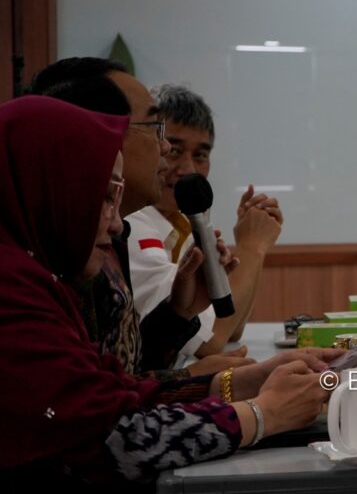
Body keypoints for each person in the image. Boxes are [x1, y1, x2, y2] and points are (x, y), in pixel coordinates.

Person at [0, 96, 338, 487]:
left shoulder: (39, 275)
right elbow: (111, 438)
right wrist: (263, 414)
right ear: (50, 185)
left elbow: (113, 389)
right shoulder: (12, 290)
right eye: (105, 196)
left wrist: (235, 384)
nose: (115, 225)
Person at [30, 58, 245, 377]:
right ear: (98, 135)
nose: (164, 147)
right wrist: (250, 410)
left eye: (200, 154)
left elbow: (122, 373)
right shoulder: (34, 264)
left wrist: (178, 314)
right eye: (155, 129)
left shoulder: (110, 236)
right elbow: (90, 412)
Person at [130, 84, 282, 361]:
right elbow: (210, 340)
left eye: (200, 155)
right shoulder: (132, 222)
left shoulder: (183, 224)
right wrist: (252, 247)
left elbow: (231, 326)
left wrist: (250, 241)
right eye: (173, 150)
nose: (188, 169)